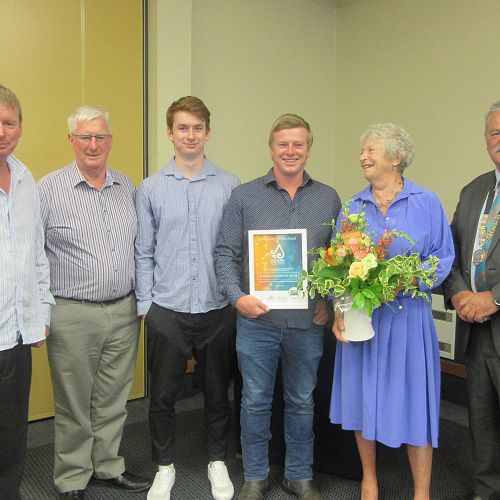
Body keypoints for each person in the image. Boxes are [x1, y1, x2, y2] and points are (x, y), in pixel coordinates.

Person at [215, 114, 341, 500]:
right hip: (257, 321)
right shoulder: (245, 196)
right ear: (271, 149)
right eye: (283, 144)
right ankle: (255, 474)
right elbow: (224, 252)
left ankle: (298, 475)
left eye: (298, 144)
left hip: (307, 322)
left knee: (302, 402)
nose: (290, 151)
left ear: (308, 149)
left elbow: (337, 260)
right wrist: (237, 297)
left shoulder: (329, 198)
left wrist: (328, 302)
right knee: (254, 401)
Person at [330, 123, 454, 500]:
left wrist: (409, 281)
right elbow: (337, 263)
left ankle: (422, 491)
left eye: (371, 150)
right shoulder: (352, 206)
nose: (362, 157)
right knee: (361, 397)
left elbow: (443, 258)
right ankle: (369, 479)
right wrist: (339, 310)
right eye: (362, 150)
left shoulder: (426, 202)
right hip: (363, 318)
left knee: (416, 401)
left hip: (408, 319)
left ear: (396, 158)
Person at [38, 105, 149, 499]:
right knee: (73, 402)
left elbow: (140, 249)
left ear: (111, 140)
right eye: (85, 136)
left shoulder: (126, 187)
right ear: (71, 140)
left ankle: (107, 466)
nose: (93, 144)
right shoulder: (48, 190)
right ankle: (72, 478)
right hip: (72, 313)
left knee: (113, 398)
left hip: (123, 310)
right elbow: (35, 255)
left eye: (100, 136)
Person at [135, 96, 239, 500]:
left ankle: (217, 461)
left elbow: (236, 249)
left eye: (197, 128)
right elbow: (143, 251)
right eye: (183, 128)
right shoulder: (151, 187)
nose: (190, 135)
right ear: (170, 133)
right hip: (168, 309)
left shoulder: (230, 185)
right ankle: (164, 466)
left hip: (217, 308)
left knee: (218, 393)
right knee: (162, 396)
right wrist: (147, 307)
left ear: (208, 133)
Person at [443, 102, 500, 500]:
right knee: (481, 419)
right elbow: (452, 250)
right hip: (476, 333)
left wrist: (495, 298)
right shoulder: (474, 189)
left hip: (495, 313)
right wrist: (460, 292)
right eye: (495, 133)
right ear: (485, 141)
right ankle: (487, 489)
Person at [0, 84, 54, 500]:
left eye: (9, 122)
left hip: (16, 336)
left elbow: (36, 254)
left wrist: (41, 316)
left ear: (20, 127)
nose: (2, 131)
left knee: (12, 433)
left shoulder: (24, 178)